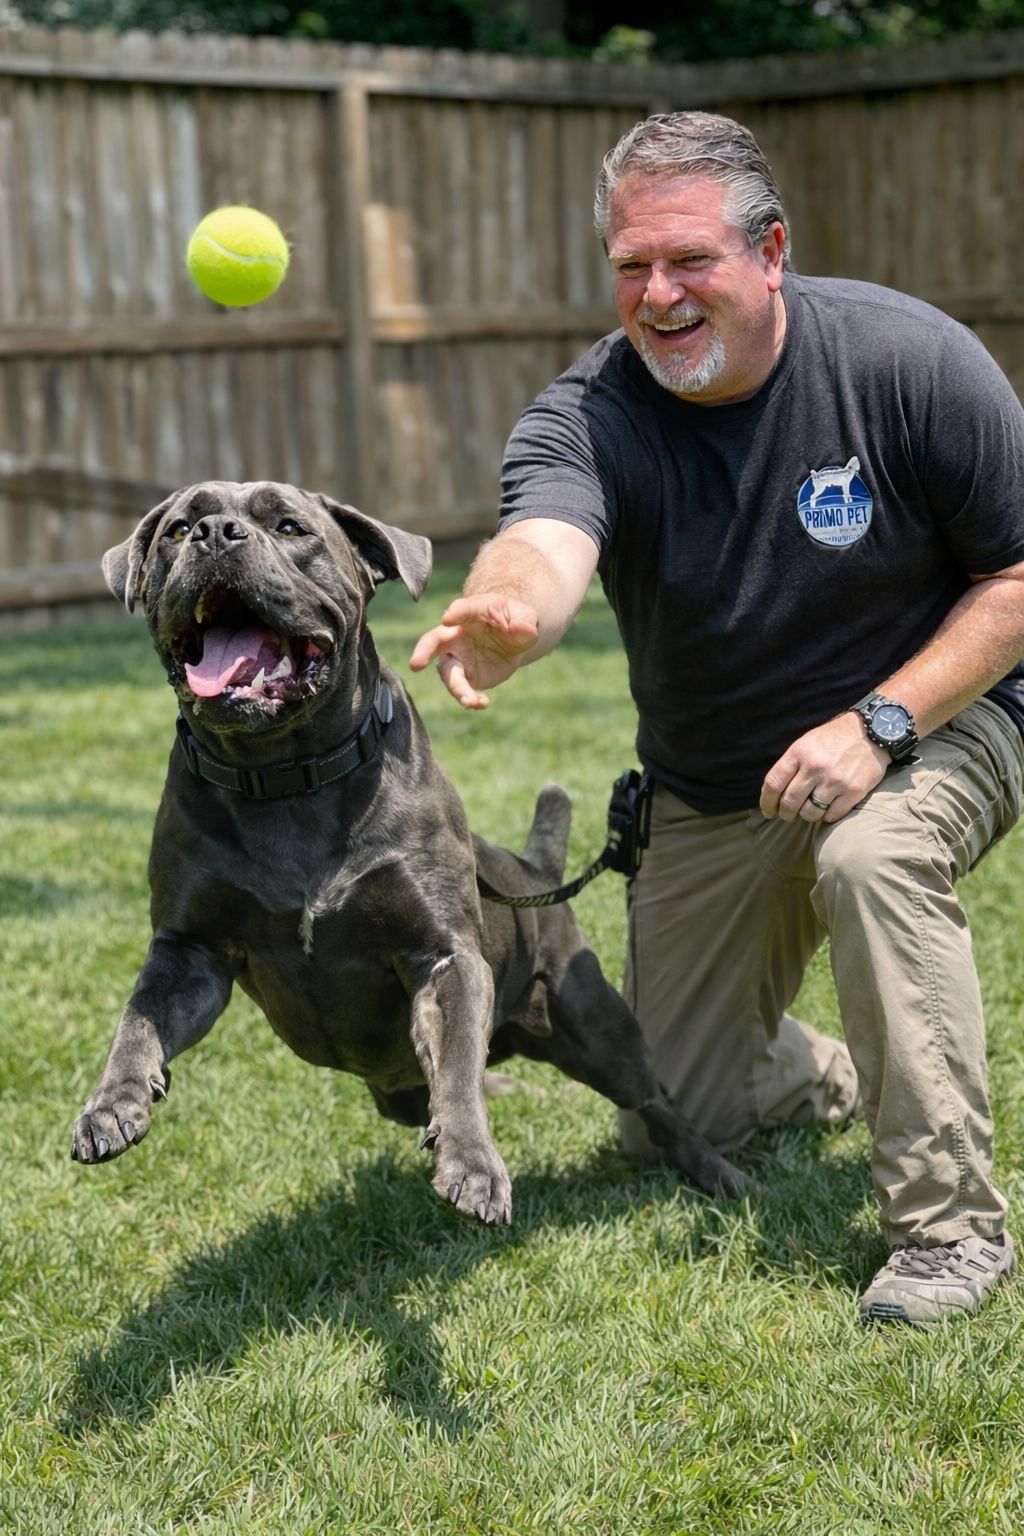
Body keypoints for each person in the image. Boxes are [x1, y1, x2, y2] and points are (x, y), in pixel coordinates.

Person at [410, 111, 1024, 1325]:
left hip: (939, 719)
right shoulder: (589, 414)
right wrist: (512, 609)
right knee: (671, 1113)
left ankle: (947, 1232)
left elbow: (1016, 580)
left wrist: (878, 724)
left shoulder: (908, 363)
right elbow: (545, 537)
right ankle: (832, 1068)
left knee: (871, 858)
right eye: (631, 265)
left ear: (770, 252)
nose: (659, 294)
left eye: (689, 259)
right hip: (716, 783)